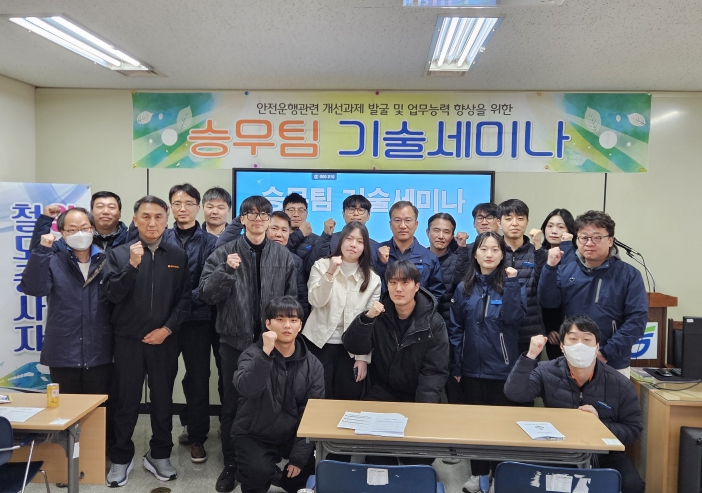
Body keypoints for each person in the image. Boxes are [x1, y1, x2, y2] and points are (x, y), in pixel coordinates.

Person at [199, 196, 298, 493]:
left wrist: (284, 336)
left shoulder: (283, 256)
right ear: (241, 219)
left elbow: (292, 301)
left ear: (269, 220)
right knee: (232, 404)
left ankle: (264, 461)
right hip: (234, 343)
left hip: (273, 343)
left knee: (272, 402)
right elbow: (207, 295)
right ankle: (232, 463)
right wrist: (226, 271)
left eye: (263, 214)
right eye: (251, 214)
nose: (258, 219)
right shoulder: (223, 252)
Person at [102, 196, 190, 487]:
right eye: (146, 216)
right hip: (128, 340)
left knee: (163, 400)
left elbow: (184, 300)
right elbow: (111, 295)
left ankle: (160, 454)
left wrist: (167, 329)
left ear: (167, 219)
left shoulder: (177, 255)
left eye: (158, 217)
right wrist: (132, 265)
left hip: (164, 340)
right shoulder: (118, 254)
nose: (152, 223)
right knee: (126, 401)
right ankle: (121, 457)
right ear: (135, 219)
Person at [504, 316, 645, 493]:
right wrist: (530, 356)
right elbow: (515, 393)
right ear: (562, 346)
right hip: (559, 450)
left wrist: (599, 425)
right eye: (573, 339)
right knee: (525, 479)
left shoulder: (619, 383)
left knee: (633, 485)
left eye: (587, 339)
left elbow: (633, 429)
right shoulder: (546, 371)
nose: (580, 345)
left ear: (597, 347)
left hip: (603, 453)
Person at [343, 260, 449, 465]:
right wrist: (367, 318)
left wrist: (423, 412)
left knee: (418, 456)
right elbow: (353, 345)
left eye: (405, 282)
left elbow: (434, 372)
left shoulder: (434, 323)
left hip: (417, 394)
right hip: (383, 391)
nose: (398, 289)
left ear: (417, 286)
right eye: (393, 283)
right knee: (376, 453)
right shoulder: (379, 315)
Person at [448, 232, 526, 492]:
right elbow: (456, 329)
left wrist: (512, 284)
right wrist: (457, 365)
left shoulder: (513, 283)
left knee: (501, 427)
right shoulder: (464, 288)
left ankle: (500, 476)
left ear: (502, 254)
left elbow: (514, 318)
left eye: (495, 249)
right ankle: (478, 474)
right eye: (483, 249)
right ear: (475, 254)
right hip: (471, 369)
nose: (489, 254)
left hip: (503, 370)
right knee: (476, 426)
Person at [538, 211, 648, 377]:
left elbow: (637, 320)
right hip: (570, 360)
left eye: (596, 238)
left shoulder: (629, 275)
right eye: (584, 237)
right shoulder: (566, 270)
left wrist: (606, 353)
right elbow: (548, 302)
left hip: (611, 363)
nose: (589, 243)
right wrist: (550, 268)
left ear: (610, 240)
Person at [233, 296, 324, 493]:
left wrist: (298, 459)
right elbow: (247, 389)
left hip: (291, 434)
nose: (287, 326)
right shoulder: (251, 354)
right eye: (280, 319)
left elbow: (311, 414)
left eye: (293, 320)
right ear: (268, 324)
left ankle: (278, 475)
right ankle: (258, 471)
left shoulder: (313, 365)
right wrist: (265, 354)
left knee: (299, 481)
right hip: (254, 432)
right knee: (257, 473)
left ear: (300, 325)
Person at [20, 207, 113, 395]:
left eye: (85, 228)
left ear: (93, 229)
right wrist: (42, 250)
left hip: (99, 350)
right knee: (66, 407)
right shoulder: (54, 260)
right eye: (72, 229)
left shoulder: (108, 260)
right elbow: (34, 288)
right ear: (62, 233)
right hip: (63, 351)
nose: (80, 234)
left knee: (99, 406)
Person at [161, 184, 218, 463]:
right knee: (162, 379)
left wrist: (182, 301)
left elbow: (210, 283)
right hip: (165, 323)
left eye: (188, 203)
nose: (182, 208)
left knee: (198, 378)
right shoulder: (161, 237)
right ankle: (161, 442)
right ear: (170, 207)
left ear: (198, 207)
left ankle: (197, 437)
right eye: (176, 203)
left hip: (198, 320)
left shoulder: (210, 242)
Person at [302, 221, 381, 400]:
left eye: (360, 241)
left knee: (347, 399)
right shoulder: (321, 265)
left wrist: (363, 357)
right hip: (319, 343)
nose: (353, 244)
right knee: (318, 397)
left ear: (365, 247)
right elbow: (316, 301)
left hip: (351, 348)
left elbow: (369, 324)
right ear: (340, 241)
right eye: (349, 239)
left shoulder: (373, 279)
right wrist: (330, 272)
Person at [212, 210, 310, 319]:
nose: (279, 234)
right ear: (264, 229)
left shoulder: (295, 261)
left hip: (278, 322)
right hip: (242, 320)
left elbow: (301, 298)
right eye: (274, 228)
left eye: (284, 230)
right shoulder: (244, 255)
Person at [425, 212, 467, 419]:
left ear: (452, 236)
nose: (441, 236)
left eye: (446, 232)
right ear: (427, 232)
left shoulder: (459, 261)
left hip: (451, 336)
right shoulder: (418, 258)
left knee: (455, 394)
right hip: (423, 334)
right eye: (436, 230)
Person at [497, 199, 546, 355]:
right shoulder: (492, 252)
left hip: (530, 332)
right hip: (498, 331)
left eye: (520, 218)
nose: (515, 223)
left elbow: (545, 287)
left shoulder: (538, 252)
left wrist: (539, 247)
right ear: (499, 223)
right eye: (508, 218)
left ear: (527, 221)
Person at [373, 201, 445, 302]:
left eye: (408, 220)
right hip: (383, 311)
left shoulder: (429, 257)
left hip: (419, 311)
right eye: (397, 220)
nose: (403, 226)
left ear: (416, 224)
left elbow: (437, 293)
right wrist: (381, 264)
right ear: (390, 224)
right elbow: (369, 287)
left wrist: (423, 310)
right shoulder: (375, 252)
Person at [29, 191, 132, 252]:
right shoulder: (77, 237)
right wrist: (46, 219)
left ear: (120, 213)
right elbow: (38, 252)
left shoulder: (130, 239)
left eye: (111, 207)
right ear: (91, 212)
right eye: (100, 206)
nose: (105, 211)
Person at [304, 194, 379, 272]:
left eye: (361, 210)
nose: (356, 213)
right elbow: (312, 267)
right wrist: (325, 236)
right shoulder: (329, 239)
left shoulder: (374, 246)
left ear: (368, 216)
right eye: (351, 209)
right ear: (343, 214)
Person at [539, 209, 576, 360]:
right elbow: (538, 295)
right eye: (550, 226)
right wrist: (547, 329)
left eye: (561, 227)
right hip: (551, 331)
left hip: (575, 330)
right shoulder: (538, 254)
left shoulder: (578, 255)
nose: (554, 231)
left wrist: (567, 246)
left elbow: (569, 284)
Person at [453, 202, 500, 286]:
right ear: (474, 223)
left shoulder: (506, 248)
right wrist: (462, 248)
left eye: (489, 217)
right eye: (480, 218)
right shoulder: (465, 249)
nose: (484, 222)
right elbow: (458, 281)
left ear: (499, 222)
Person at [283, 192, 318, 263]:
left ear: (306, 214)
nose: (296, 214)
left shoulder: (316, 240)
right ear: (283, 212)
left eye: (301, 210)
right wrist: (299, 234)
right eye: (291, 210)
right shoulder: (277, 237)